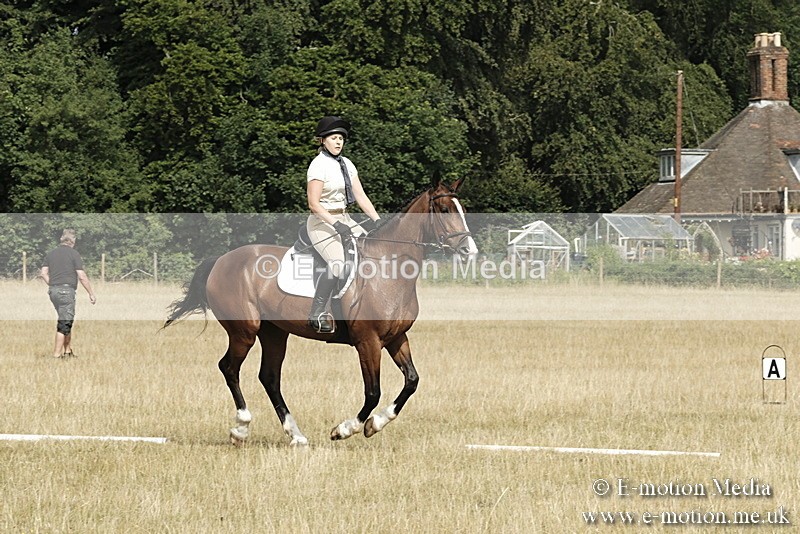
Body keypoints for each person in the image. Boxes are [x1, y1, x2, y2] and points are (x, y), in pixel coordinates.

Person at [306, 116, 382, 333]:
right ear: (322, 141)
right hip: (322, 222)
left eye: (341, 138)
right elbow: (313, 203)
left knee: (371, 252)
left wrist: (377, 220)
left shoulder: (347, 164)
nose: (338, 142)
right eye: (333, 138)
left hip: (346, 218)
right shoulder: (318, 165)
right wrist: (336, 224)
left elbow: (360, 195)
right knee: (338, 263)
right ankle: (317, 312)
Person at [40, 229, 96, 358]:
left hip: (53, 292)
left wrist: (53, 284)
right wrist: (91, 293)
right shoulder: (74, 254)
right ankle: (56, 356)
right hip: (66, 291)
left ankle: (68, 351)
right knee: (64, 323)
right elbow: (81, 276)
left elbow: (43, 273)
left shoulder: (51, 254)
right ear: (73, 241)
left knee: (66, 320)